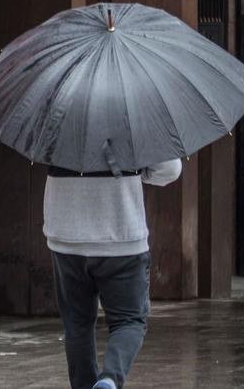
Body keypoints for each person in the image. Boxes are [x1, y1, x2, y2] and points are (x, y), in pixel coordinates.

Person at [43, 157, 183, 389]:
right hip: (121, 236)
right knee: (129, 321)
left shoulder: (58, 119)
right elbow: (169, 169)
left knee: (77, 325)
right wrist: (137, 170)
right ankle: (110, 378)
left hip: (66, 236)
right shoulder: (133, 120)